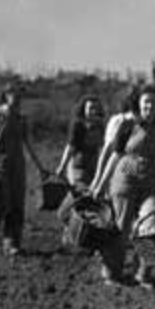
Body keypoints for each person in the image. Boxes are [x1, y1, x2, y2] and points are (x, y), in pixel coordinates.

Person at [91, 86, 155, 287]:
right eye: (146, 102)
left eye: (153, 102)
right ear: (138, 104)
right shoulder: (126, 125)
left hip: (151, 181)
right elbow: (115, 155)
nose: (149, 106)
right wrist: (101, 183)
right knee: (120, 227)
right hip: (124, 179)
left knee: (150, 225)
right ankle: (112, 271)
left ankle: (144, 273)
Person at [0, 82, 47, 257]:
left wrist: (40, 167)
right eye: (15, 93)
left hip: (18, 167)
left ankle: (11, 243)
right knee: (0, 203)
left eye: (21, 94)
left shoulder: (22, 118)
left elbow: (28, 144)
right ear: (6, 94)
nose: (19, 97)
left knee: (17, 204)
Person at [56, 95, 107, 242]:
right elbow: (70, 147)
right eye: (90, 108)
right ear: (84, 109)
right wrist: (62, 166)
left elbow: (102, 147)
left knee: (89, 200)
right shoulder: (77, 125)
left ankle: (78, 231)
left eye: (96, 108)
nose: (93, 111)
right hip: (77, 167)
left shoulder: (100, 126)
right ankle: (65, 220)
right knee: (78, 197)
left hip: (94, 168)